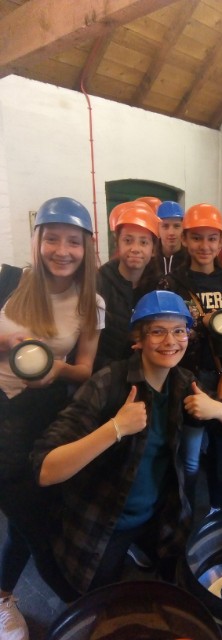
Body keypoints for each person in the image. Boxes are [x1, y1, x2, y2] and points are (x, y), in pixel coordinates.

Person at [31, 291, 222, 597]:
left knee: (171, 589)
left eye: (179, 331)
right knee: (99, 599)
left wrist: (219, 410)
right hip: (104, 524)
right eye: (157, 331)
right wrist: (115, 428)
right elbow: (46, 470)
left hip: (160, 517)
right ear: (138, 340)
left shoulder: (183, 382)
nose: (170, 341)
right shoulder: (108, 383)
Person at [0, 197, 105, 639]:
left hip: (41, 413)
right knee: (33, 523)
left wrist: (54, 369)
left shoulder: (91, 303)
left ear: (86, 247)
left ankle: (5, 595)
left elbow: (84, 369)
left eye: (73, 242)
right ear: (38, 240)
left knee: (29, 515)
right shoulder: (9, 280)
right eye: (53, 239)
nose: (63, 250)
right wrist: (8, 344)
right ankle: (84, 607)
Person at [161, 203, 222, 510]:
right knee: (190, 460)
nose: (205, 246)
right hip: (191, 379)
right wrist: (197, 328)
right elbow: (165, 336)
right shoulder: (172, 284)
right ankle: (187, 518)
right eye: (197, 238)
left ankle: (221, 517)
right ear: (185, 240)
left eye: (212, 238)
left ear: (220, 241)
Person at [95, 200, 160, 371]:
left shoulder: (159, 286)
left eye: (143, 242)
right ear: (118, 243)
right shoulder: (99, 282)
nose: (135, 248)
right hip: (104, 372)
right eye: (128, 240)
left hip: (146, 370)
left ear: (153, 249)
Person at [156, 201, 189, 276]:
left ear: (183, 228)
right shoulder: (149, 260)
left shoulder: (191, 260)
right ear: (157, 228)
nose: (171, 232)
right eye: (165, 226)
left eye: (176, 226)